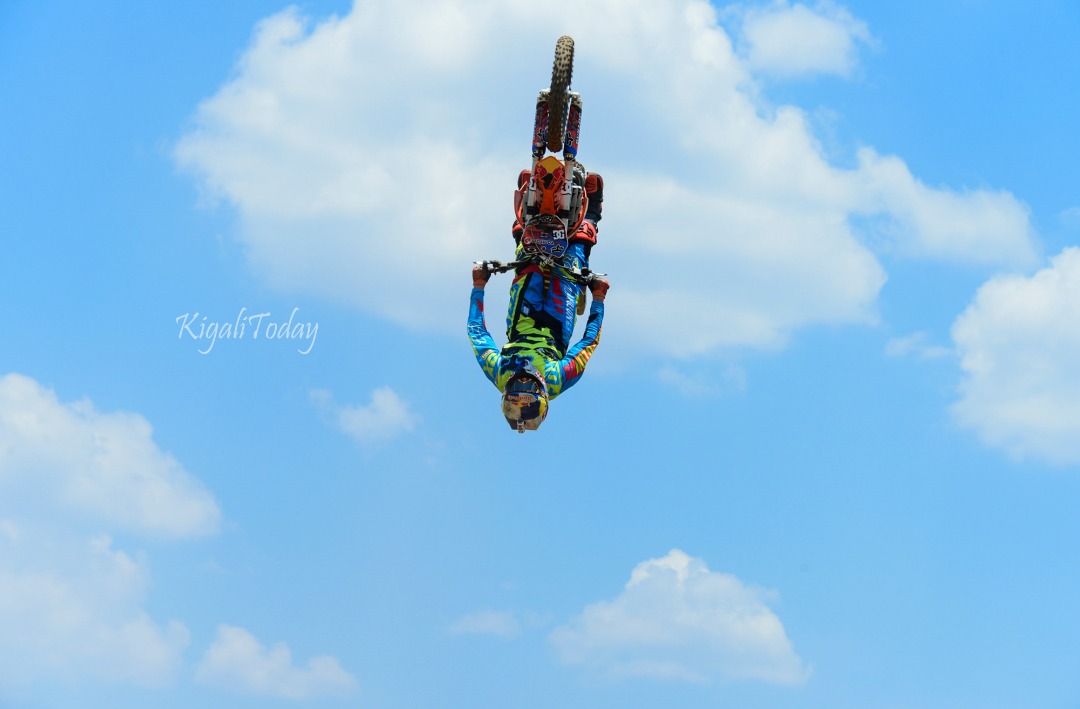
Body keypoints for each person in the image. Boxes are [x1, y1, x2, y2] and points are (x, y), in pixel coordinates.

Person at [468, 170, 608, 432]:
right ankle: (593, 210)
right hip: (558, 321)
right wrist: (598, 298)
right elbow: (588, 344)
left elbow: (477, 335)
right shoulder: (555, 381)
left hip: (522, 316)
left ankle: (527, 207)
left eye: (513, 401)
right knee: (574, 256)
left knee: (527, 256)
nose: (522, 388)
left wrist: (479, 286)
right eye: (527, 398)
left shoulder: (499, 374)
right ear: (543, 400)